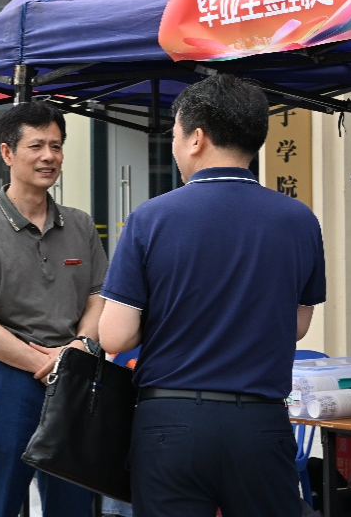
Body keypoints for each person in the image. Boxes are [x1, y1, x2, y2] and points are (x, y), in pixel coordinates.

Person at [98, 77, 326, 517]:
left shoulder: (150, 218)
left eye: (175, 134)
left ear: (197, 138)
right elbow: (297, 325)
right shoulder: (299, 220)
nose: (174, 146)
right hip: (261, 423)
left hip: (170, 423)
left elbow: (115, 335)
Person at [0, 101, 108, 517]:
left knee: (73, 506)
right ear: (7, 152)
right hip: (8, 381)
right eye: (36, 146)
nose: (48, 156)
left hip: (74, 377)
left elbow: (97, 298)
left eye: (56, 145)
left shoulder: (81, 224)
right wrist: (46, 363)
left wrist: (78, 347)